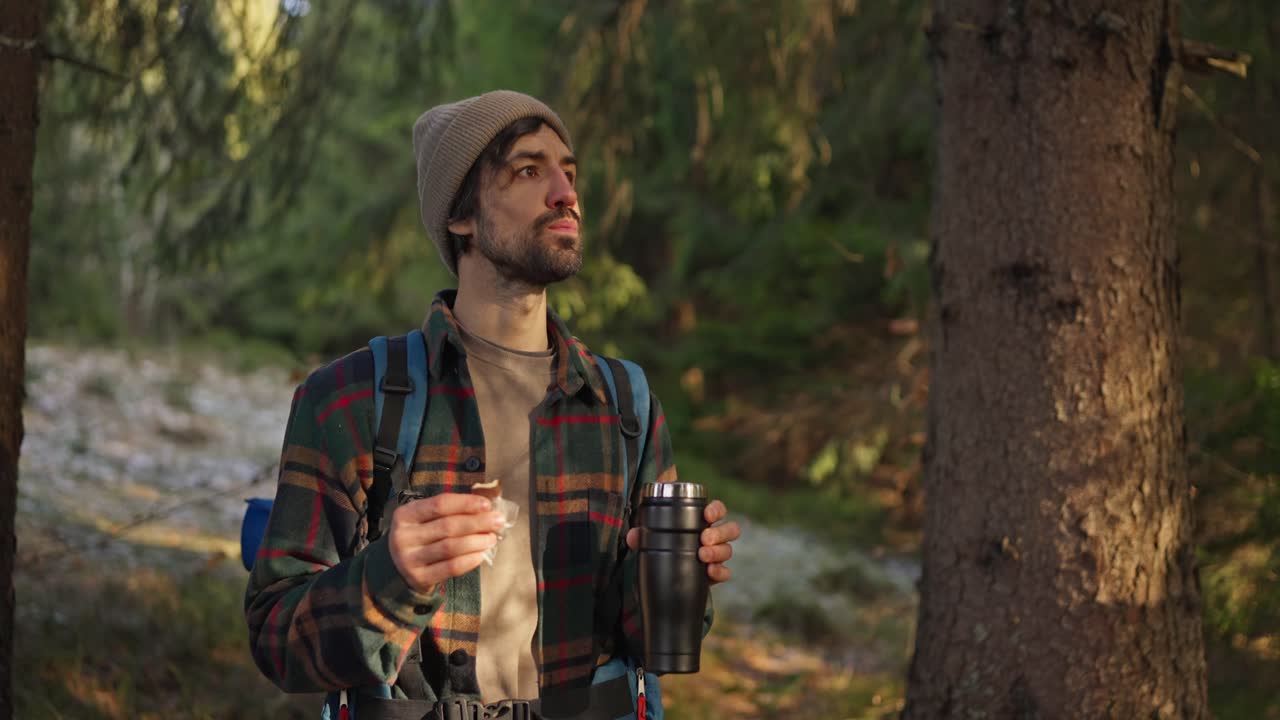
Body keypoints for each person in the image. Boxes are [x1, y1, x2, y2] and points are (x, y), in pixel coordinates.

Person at [244, 90, 740, 719]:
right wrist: (390, 577)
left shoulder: (625, 403)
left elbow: (650, 641)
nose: (565, 193)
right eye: (529, 170)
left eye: (569, 172)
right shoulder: (351, 399)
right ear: (462, 217)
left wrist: (681, 575)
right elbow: (276, 638)